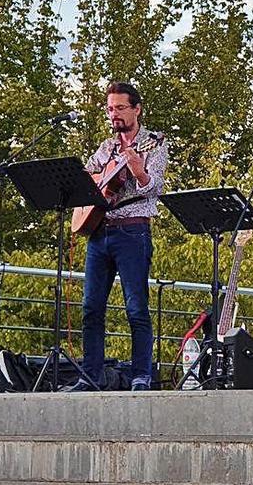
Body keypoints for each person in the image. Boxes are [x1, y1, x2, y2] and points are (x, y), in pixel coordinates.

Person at [73, 82, 168, 391]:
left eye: (120, 108)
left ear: (137, 109)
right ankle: (91, 376)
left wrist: (138, 171)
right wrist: (103, 177)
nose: (114, 114)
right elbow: (85, 177)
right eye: (110, 109)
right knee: (91, 307)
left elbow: (153, 188)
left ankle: (142, 375)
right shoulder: (106, 147)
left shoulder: (154, 143)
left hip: (133, 231)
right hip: (99, 232)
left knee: (136, 307)